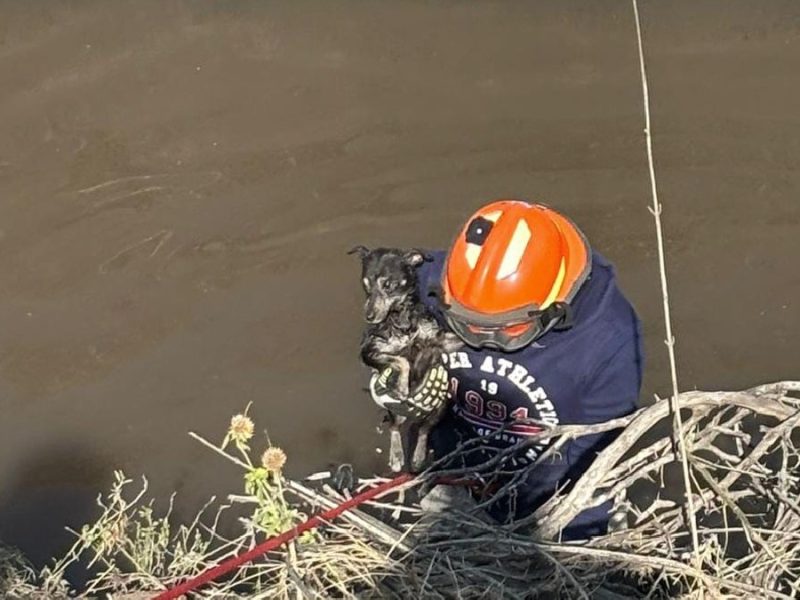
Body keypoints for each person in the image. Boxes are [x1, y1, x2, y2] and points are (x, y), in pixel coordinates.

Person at [370, 199, 644, 540]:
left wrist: (533, 518)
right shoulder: (429, 283)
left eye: (505, 329)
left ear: (553, 309)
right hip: (455, 470)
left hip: (556, 492)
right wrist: (391, 380)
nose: (482, 339)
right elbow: (388, 337)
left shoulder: (610, 340)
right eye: (465, 325)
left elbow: (593, 451)